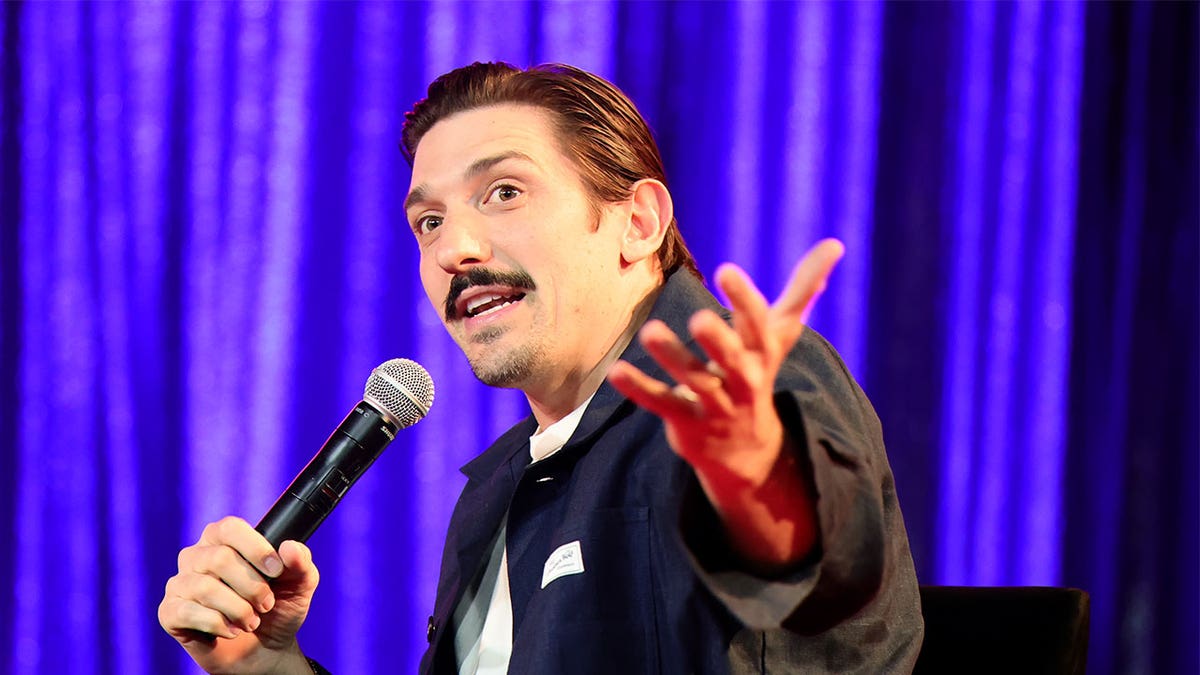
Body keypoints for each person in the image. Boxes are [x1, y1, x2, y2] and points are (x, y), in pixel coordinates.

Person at [158, 62, 923, 674]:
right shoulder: (497, 493)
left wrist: (759, 482)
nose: (454, 248)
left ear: (636, 222)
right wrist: (266, 664)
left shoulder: (737, 388)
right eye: (429, 221)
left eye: (504, 192)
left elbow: (816, 565)